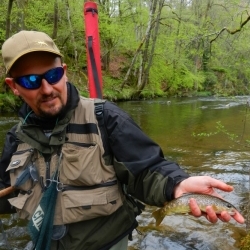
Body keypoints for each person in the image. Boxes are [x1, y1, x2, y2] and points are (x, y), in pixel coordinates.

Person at [0, 30, 244, 250]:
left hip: (107, 244)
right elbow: (8, 197)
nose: (47, 88)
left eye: (53, 75)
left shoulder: (105, 117)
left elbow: (148, 169)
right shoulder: (15, 140)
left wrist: (177, 185)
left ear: (64, 71)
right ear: (13, 87)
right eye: (31, 81)